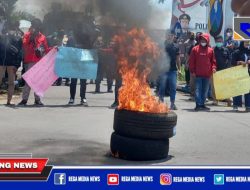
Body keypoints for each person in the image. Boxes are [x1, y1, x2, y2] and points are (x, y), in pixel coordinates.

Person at [18, 19, 50, 106]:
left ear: (38, 27)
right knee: (28, 81)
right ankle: (24, 100)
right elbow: (24, 45)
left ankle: (37, 100)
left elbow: (46, 49)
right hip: (29, 61)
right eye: (32, 25)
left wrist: (54, 48)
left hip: (39, 62)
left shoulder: (42, 37)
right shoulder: (27, 35)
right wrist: (30, 39)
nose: (33, 27)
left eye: (35, 25)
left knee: (38, 81)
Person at [189, 33, 217, 111]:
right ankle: (198, 104)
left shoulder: (211, 50)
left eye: (205, 40)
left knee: (205, 90)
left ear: (207, 40)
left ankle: (202, 104)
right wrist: (192, 71)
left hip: (207, 74)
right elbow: (191, 61)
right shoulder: (195, 49)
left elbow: (213, 62)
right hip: (197, 74)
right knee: (198, 89)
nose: (203, 41)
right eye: (202, 40)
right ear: (199, 40)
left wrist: (213, 68)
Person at [0, 21, 23, 105]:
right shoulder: (19, 38)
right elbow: (20, 52)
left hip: (2, 61)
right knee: (11, 83)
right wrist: (17, 64)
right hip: (11, 62)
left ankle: (9, 101)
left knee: (10, 82)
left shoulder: (2, 37)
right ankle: (8, 102)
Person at [158, 31, 181, 110]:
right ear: (166, 36)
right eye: (168, 35)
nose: (170, 37)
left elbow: (178, 58)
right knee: (162, 87)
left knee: (173, 87)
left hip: (173, 70)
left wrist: (179, 69)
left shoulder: (176, 46)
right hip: (163, 70)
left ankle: (172, 104)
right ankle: (160, 103)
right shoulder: (161, 45)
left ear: (174, 36)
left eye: (171, 35)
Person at [231, 41, 250, 112]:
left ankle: (248, 106)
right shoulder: (236, 52)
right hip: (238, 73)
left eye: (248, 43)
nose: (247, 44)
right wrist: (239, 62)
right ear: (242, 43)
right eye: (246, 43)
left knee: (247, 89)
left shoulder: (249, 51)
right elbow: (232, 62)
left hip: (247, 73)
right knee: (237, 89)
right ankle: (236, 105)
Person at [213, 35, 232, 106]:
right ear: (215, 42)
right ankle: (215, 100)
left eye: (220, 41)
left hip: (225, 71)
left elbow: (229, 59)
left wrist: (228, 67)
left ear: (222, 41)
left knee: (226, 86)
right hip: (216, 71)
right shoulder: (213, 50)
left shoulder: (226, 50)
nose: (219, 42)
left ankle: (229, 101)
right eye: (218, 41)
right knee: (215, 87)